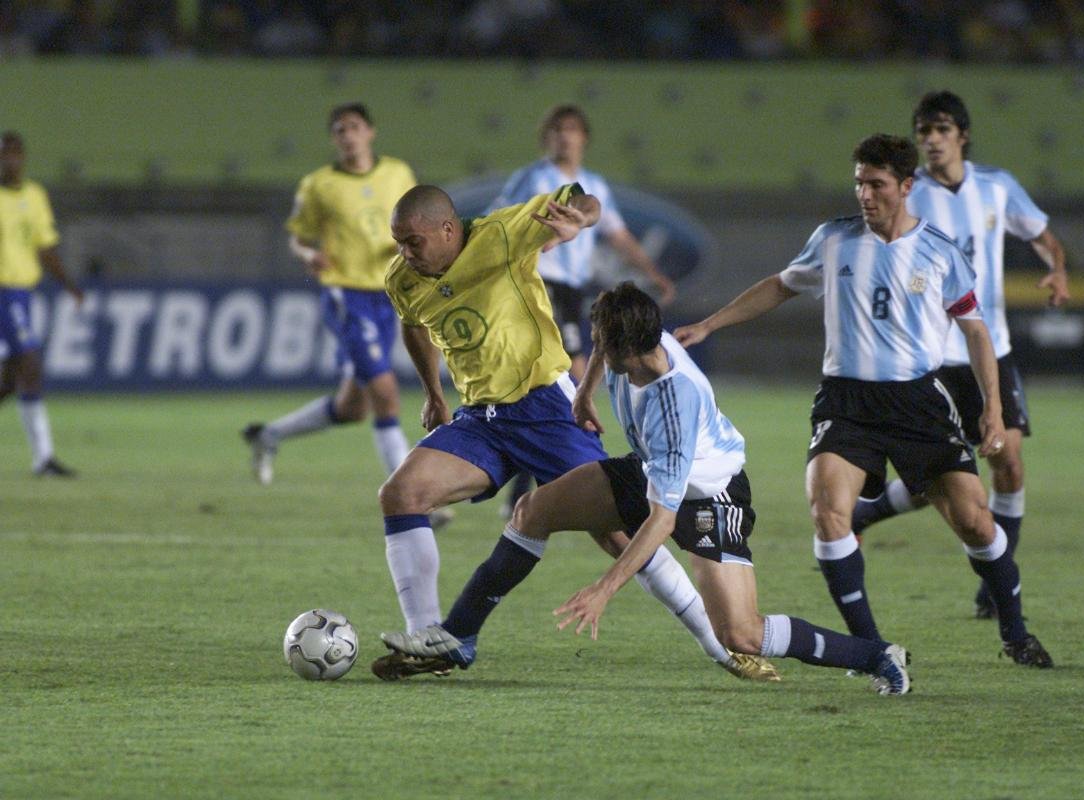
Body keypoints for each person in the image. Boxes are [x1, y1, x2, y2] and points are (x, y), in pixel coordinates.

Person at [380, 283, 911, 695]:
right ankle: (459, 636)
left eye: (607, 354)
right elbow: (599, 342)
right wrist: (584, 395)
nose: (602, 358)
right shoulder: (632, 341)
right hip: (649, 468)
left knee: (742, 634)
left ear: (632, 352)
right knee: (531, 510)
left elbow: (661, 520)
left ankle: (877, 655)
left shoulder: (673, 403)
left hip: (711, 496)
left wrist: (603, 590)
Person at [674, 134, 1053, 668]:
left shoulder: (940, 251)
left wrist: (992, 407)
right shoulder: (833, 240)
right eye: (859, 183)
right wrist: (709, 324)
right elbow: (780, 285)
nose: (865, 195)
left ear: (905, 186)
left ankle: (1015, 633)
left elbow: (976, 333)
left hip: (919, 401)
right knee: (829, 514)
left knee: (975, 522)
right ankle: (873, 652)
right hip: (846, 402)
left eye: (876, 184)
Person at [370, 184, 774, 682]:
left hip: (546, 407)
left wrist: (578, 222)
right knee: (401, 494)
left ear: (448, 231)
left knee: (617, 533)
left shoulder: (500, 234)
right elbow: (414, 323)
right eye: (398, 243)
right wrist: (434, 391)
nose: (404, 254)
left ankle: (725, 649)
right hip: (482, 418)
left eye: (413, 241)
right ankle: (431, 638)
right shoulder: (403, 278)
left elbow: (586, 200)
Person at [851, 91, 1070, 619]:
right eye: (923, 129)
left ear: (962, 135)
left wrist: (1057, 267)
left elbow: (1043, 236)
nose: (930, 138)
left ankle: (993, 586)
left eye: (941, 128)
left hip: (989, 345)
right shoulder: (908, 192)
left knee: (1008, 465)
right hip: (930, 355)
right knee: (942, 480)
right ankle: (871, 514)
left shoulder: (997, 187)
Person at [242, 103, 435, 507]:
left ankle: (268, 435)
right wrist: (306, 255)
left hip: (391, 293)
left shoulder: (398, 174)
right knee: (386, 395)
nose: (348, 135)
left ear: (371, 132)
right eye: (340, 130)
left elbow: (414, 223)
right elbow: (298, 236)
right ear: (334, 138)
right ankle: (409, 495)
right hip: (347, 295)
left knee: (352, 408)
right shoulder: (319, 184)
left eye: (354, 127)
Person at [491, 104, 677, 514]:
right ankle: (579, 469)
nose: (564, 136)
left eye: (571, 130)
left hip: (573, 290)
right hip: (540, 285)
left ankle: (532, 478)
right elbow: (497, 220)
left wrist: (652, 272)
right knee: (571, 375)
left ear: (583, 138)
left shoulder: (593, 185)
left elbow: (618, 234)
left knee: (554, 379)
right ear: (547, 138)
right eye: (556, 129)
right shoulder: (534, 177)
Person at [0, 131, 83, 477]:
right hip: (3, 293)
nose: (11, 161)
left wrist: (68, 286)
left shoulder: (35, 195)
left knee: (11, 378)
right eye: (5, 155)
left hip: (23, 293)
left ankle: (44, 459)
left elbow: (44, 247)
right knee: (30, 362)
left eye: (16, 154)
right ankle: (44, 458)